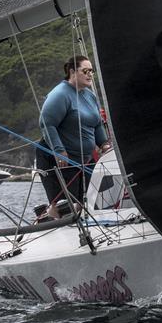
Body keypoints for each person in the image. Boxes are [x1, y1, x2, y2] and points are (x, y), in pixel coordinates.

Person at [36, 55, 111, 219]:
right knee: (66, 205)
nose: (90, 74)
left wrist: (104, 144)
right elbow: (46, 124)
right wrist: (58, 150)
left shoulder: (89, 95)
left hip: (85, 158)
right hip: (60, 158)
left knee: (90, 200)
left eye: (92, 71)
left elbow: (97, 123)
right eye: (86, 71)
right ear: (72, 72)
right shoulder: (60, 94)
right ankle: (51, 218)